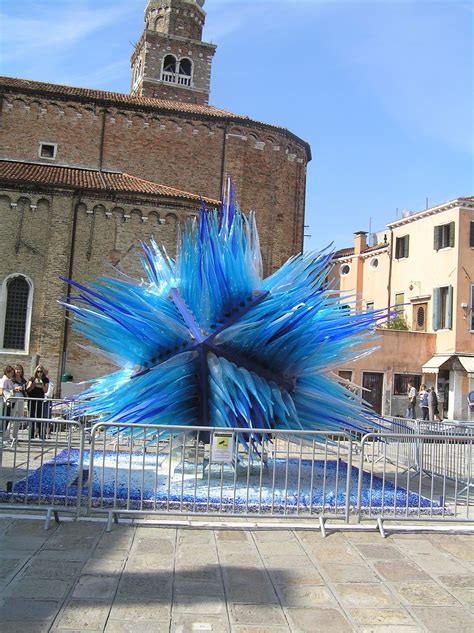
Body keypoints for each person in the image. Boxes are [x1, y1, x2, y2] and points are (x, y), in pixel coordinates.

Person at [26, 365, 49, 439]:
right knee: (31, 416)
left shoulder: (45, 379)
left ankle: (41, 435)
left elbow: (46, 391)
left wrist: (42, 385)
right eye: (38, 371)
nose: (39, 373)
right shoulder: (32, 379)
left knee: (40, 416)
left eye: (41, 371)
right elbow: (28, 389)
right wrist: (33, 385)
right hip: (32, 399)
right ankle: (31, 435)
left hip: (40, 399)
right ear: (36, 371)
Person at [10, 364, 27, 445]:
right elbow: (8, 388)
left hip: (21, 399)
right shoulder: (11, 380)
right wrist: (15, 389)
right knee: (10, 418)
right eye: (16, 369)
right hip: (13, 400)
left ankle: (15, 437)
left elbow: (26, 390)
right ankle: (6, 436)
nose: (18, 371)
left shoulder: (23, 381)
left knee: (18, 418)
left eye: (19, 369)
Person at [0, 365, 15, 445]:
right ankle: (1, 438)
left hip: (9, 403)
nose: (12, 374)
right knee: (4, 421)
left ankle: (2, 438)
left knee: (6, 421)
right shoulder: (4, 380)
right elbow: (1, 391)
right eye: (11, 373)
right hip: (6, 402)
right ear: (7, 372)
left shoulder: (8, 380)